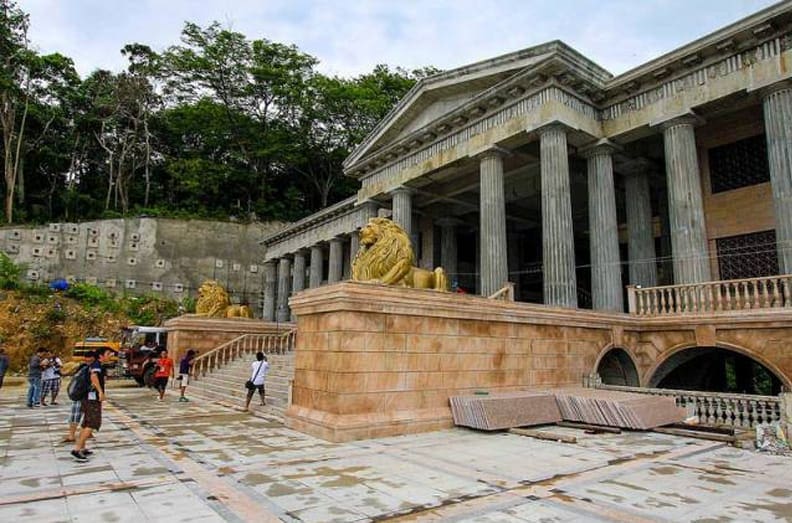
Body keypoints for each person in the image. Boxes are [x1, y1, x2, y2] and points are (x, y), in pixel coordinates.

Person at [72, 348, 112, 462]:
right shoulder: (96, 365)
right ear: (100, 356)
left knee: (86, 423)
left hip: (87, 398)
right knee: (92, 422)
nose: (110, 356)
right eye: (108, 354)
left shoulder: (96, 364)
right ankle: (77, 449)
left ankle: (82, 448)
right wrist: (100, 391)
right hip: (91, 399)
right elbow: (93, 376)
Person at [63, 354, 91, 443]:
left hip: (80, 394)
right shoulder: (88, 369)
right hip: (82, 395)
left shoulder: (82, 368)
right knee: (78, 415)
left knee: (85, 415)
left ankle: (85, 432)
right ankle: (72, 435)